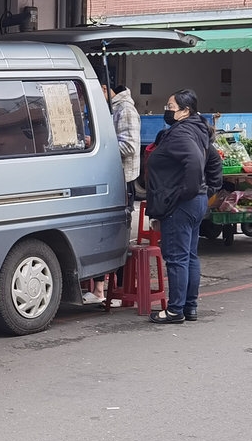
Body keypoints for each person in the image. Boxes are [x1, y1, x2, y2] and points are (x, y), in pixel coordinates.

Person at [144, 88, 222, 323]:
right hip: (195, 202)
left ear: (185, 110)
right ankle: (189, 307)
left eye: (170, 107)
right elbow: (214, 161)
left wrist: (184, 193)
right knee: (189, 256)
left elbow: (195, 161)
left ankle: (175, 310)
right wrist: (207, 189)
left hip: (182, 203)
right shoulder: (197, 129)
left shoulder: (182, 134)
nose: (166, 110)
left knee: (177, 258)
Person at [88, 82, 141, 303]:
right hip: (107, 178)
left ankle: (118, 290)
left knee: (118, 234)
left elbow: (129, 146)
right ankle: (100, 291)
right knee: (102, 232)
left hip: (122, 181)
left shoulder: (125, 109)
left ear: (103, 87)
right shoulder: (108, 107)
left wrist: (97, 145)